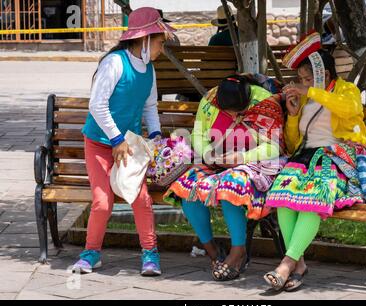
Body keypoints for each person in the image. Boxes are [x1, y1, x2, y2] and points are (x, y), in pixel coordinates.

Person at [72, 7, 176, 276]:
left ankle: (150, 254)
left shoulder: (149, 71)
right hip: (99, 143)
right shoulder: (114, 63)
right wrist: (115, 138)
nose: (161, 49)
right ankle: (91, 253)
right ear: (144, 40)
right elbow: (97, 104)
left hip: (127, 146)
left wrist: (155, 136)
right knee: (102, 202)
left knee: (140, 199)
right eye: (160, 43)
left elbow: (150, 107)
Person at [264, 31, 366, 291]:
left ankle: (287, 264)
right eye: (300, 79)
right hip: (307, 156)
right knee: (283, 199)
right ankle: (298, 265)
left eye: (308, 78)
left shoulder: (347, 90)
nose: (303, 84)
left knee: (312, 198)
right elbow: (292, 141)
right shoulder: (307, 97)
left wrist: (311, 90)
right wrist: (292, 115)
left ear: (326, 75)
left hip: (338, 155)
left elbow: (349, 109)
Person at [164, 75, 286, 281]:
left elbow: (274, 146)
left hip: (257, 163)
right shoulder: (209, 101)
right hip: (217, 159)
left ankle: (238, 251)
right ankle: (211, 249)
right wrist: (210, 155)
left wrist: (240, 158)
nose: (231, 115)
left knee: (230, 187)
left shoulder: (265, 103)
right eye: (227, 111)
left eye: (236, 111)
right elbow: (199, 135)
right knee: (187, 187)